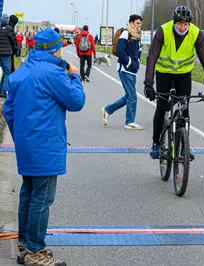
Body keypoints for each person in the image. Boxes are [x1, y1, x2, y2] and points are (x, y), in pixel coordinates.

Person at [3, 27, 85, 266]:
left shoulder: (20, 73)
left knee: (28, 193)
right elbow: (76, 101)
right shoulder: (53, 73)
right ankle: (35, 252)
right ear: (56, 49)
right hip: (46, 144)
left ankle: (24, 246)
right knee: (42, 198)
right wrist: (75, 76)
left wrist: (21, 136)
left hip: (27, 143)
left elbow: (8, 110)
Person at [143, 5, 204, 159]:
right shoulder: (163, 31)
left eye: (185, 24)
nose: (182, 27)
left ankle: (183, 146)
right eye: (179, 24)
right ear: (174, 22)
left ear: (189, 23)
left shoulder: (196, 34)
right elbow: (152, 57)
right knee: (162, 106)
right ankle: (156, 143)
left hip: (183, 75)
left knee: (184, 108)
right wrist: (148, 84)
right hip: (164, 73)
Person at [101, 15, 144, 130]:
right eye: (137, 23)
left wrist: (137, 62)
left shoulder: (138, 36)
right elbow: (120, 50)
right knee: (133, 97)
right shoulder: (126, 33)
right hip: (125, 70)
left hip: (132, 71)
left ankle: (107, 110)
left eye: (140, 23)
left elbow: (139, 51)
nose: (139, 25)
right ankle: (130, 122)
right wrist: (129, 62)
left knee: (128, 96)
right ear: (131, 23)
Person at [0, 14, 17, 98]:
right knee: (7, 72)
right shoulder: (9, 29)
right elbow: (14, 42)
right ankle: (3, 90)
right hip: (6, 54)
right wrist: (15, 51)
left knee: (3, 72)